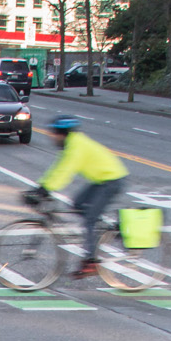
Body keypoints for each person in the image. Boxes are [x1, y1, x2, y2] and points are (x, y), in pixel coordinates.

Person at [30, 114, 129, 277]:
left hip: (112, 180)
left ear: (63, 134)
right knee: (77, 204)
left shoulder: (77, 146)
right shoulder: (71, 144)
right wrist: (41, 187)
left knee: (90, 218)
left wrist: (45, 189)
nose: (53, 138)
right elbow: (58, 168)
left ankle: (91, 262)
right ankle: (106, 229)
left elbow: (66, 171)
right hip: (101, 180)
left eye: (54, 134)